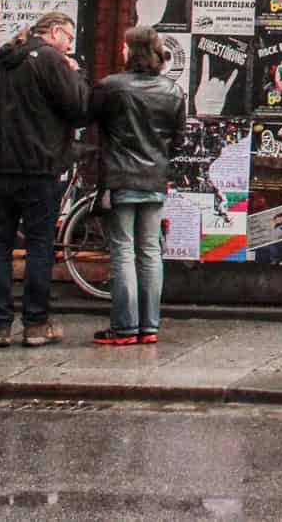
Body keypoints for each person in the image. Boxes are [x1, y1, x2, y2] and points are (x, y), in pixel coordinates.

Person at [0, 11, 88, 348]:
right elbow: (80, 108)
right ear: (54, 32)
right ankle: (36, 324)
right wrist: (76, 74)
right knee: (39, 246)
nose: (69, 46)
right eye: (69, 38)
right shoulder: (51, 61)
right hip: (39, 168)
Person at [87, 25, 187, 346]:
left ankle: (124, 327)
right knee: (150, 252)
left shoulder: (111, 87)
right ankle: (149, 326)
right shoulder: (172, 91)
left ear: (132, 51)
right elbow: (178, 139)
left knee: (123, 251)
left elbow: (87, 116)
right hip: (155, 179)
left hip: (119, 178)